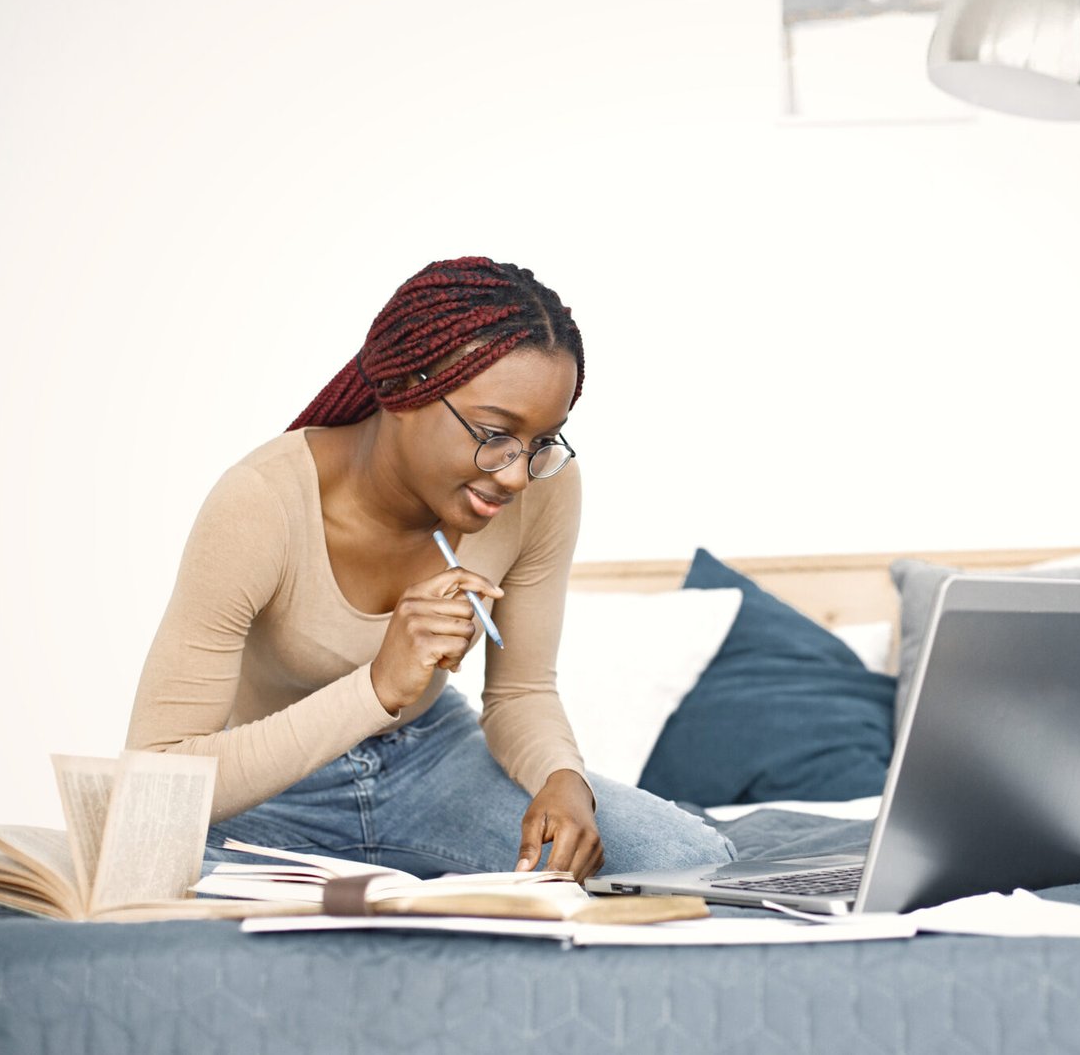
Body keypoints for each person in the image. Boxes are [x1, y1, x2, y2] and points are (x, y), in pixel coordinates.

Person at [125, 256, 732, 883]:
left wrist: (562, 776)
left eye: (543, 442)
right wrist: (379, 685)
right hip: (272, 786)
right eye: (495, 434)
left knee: (685, 862)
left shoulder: (545, 489)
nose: (516, 475)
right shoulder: (261, 503)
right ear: (402, 391)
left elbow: (520, 691)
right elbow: (154, 781)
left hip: (433, 765)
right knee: (139, 876)